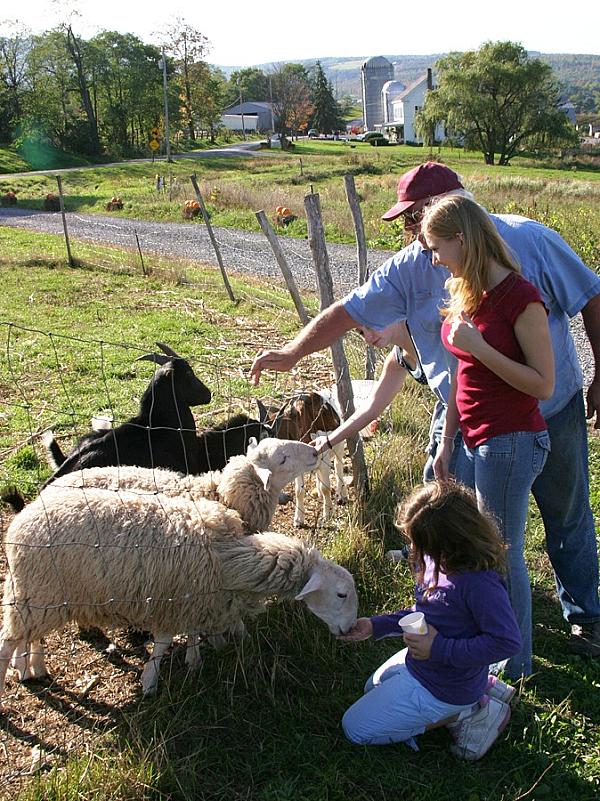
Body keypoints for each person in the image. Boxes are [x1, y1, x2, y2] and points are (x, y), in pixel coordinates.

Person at [249, 161, 600, 658]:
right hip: (471, 418)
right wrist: (291, 354)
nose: (414, 236)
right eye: (410, 225)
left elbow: (590, 296)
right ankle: (466, 620)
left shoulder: (530, 244)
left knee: (559, 519)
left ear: (452, 211)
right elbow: (349, 312)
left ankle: (577, 624)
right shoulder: (423, 265)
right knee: (467, 529)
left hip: (550, 408)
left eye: (417, 220)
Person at [422, 195, 554, 679]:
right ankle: (494, 645)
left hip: (512, 438)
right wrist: (446, 440)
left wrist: (479, 346)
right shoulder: (467, 291)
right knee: (489, 549)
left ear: (462, 239)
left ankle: (514, 663)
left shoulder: (522, 298)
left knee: (501, 552)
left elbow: (543, 383)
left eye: (437, 247)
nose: (434, 258)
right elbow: (462, 377)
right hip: (475, 438)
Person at [339, 480, 522, 761]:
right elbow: (429, 611)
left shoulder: (478, 583)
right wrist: (376, 626)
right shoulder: (435, 559)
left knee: (356, 729)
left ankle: (469, 712)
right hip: (426, 666)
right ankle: (479, 687)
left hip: (445, 684)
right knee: (371, 687)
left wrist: (438, 649)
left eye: (419, 542)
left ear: (450, 540)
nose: (413, 549)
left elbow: (507, 642)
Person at [312, 319, 426, 456]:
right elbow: (372, 407)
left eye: (371, 326)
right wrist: (329, 440)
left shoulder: (430, 336)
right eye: (361, 332)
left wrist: (446, 439)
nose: (367, 337)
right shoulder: (397, 359)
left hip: (456, 416)